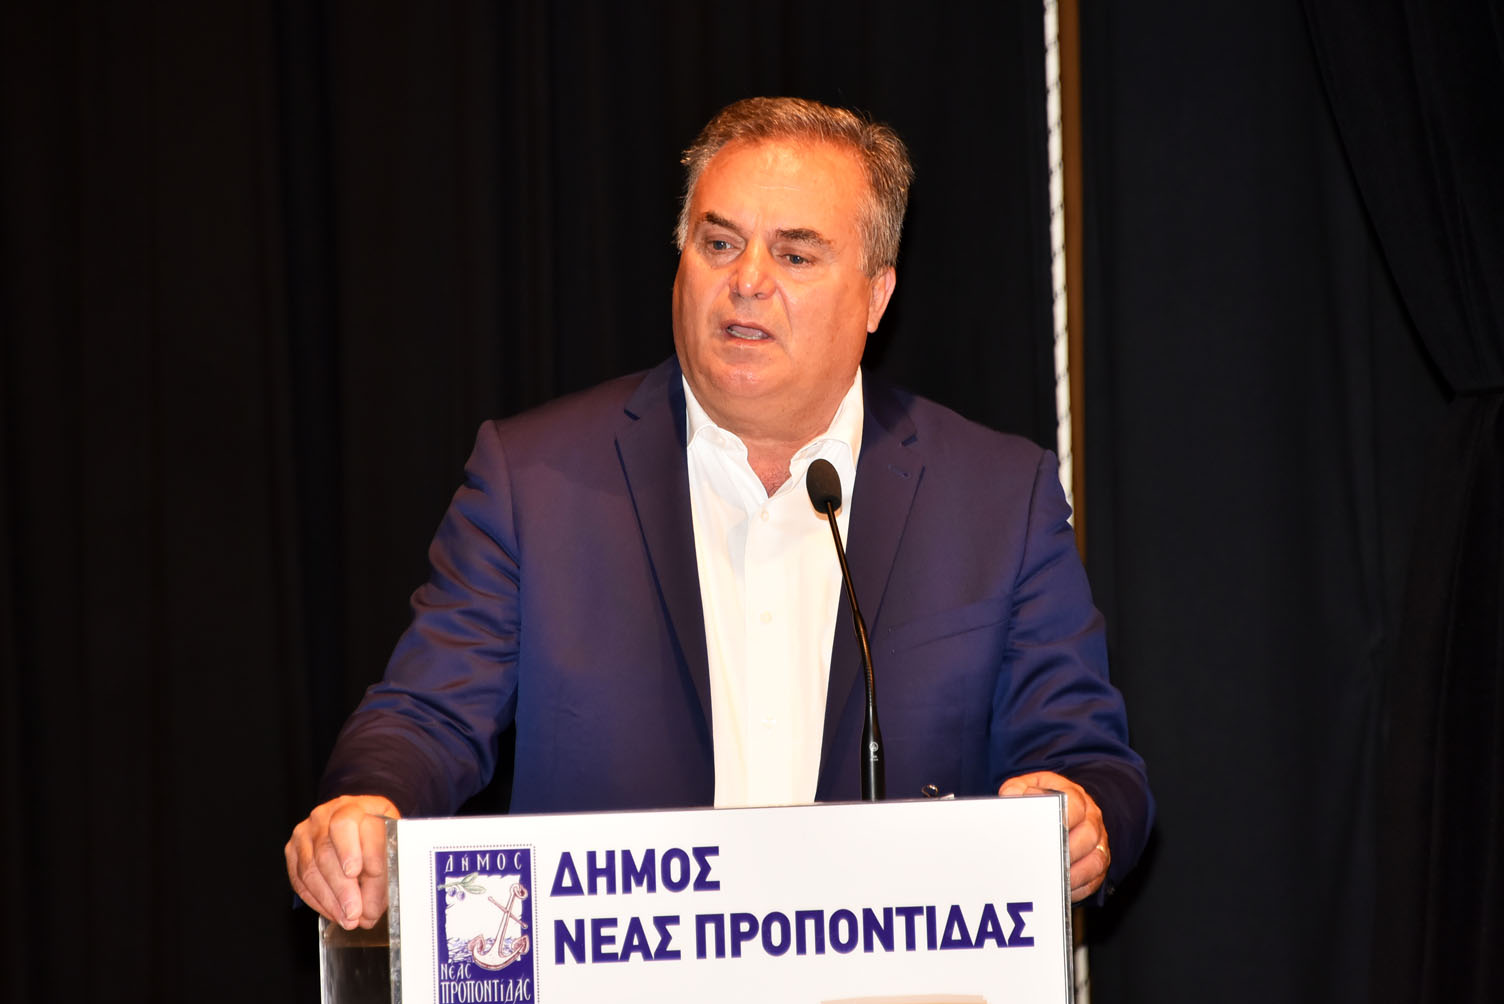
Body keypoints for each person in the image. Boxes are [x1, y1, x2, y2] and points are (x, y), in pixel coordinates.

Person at [285, 97, 1152, 932]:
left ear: (876, 296)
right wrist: (369, 804)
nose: (747, 282)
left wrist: (1079, 814)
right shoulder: (536, 480)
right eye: (720, 243)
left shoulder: (996, 497)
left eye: (795, 255)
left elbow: (1085, 757)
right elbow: (426, 716)